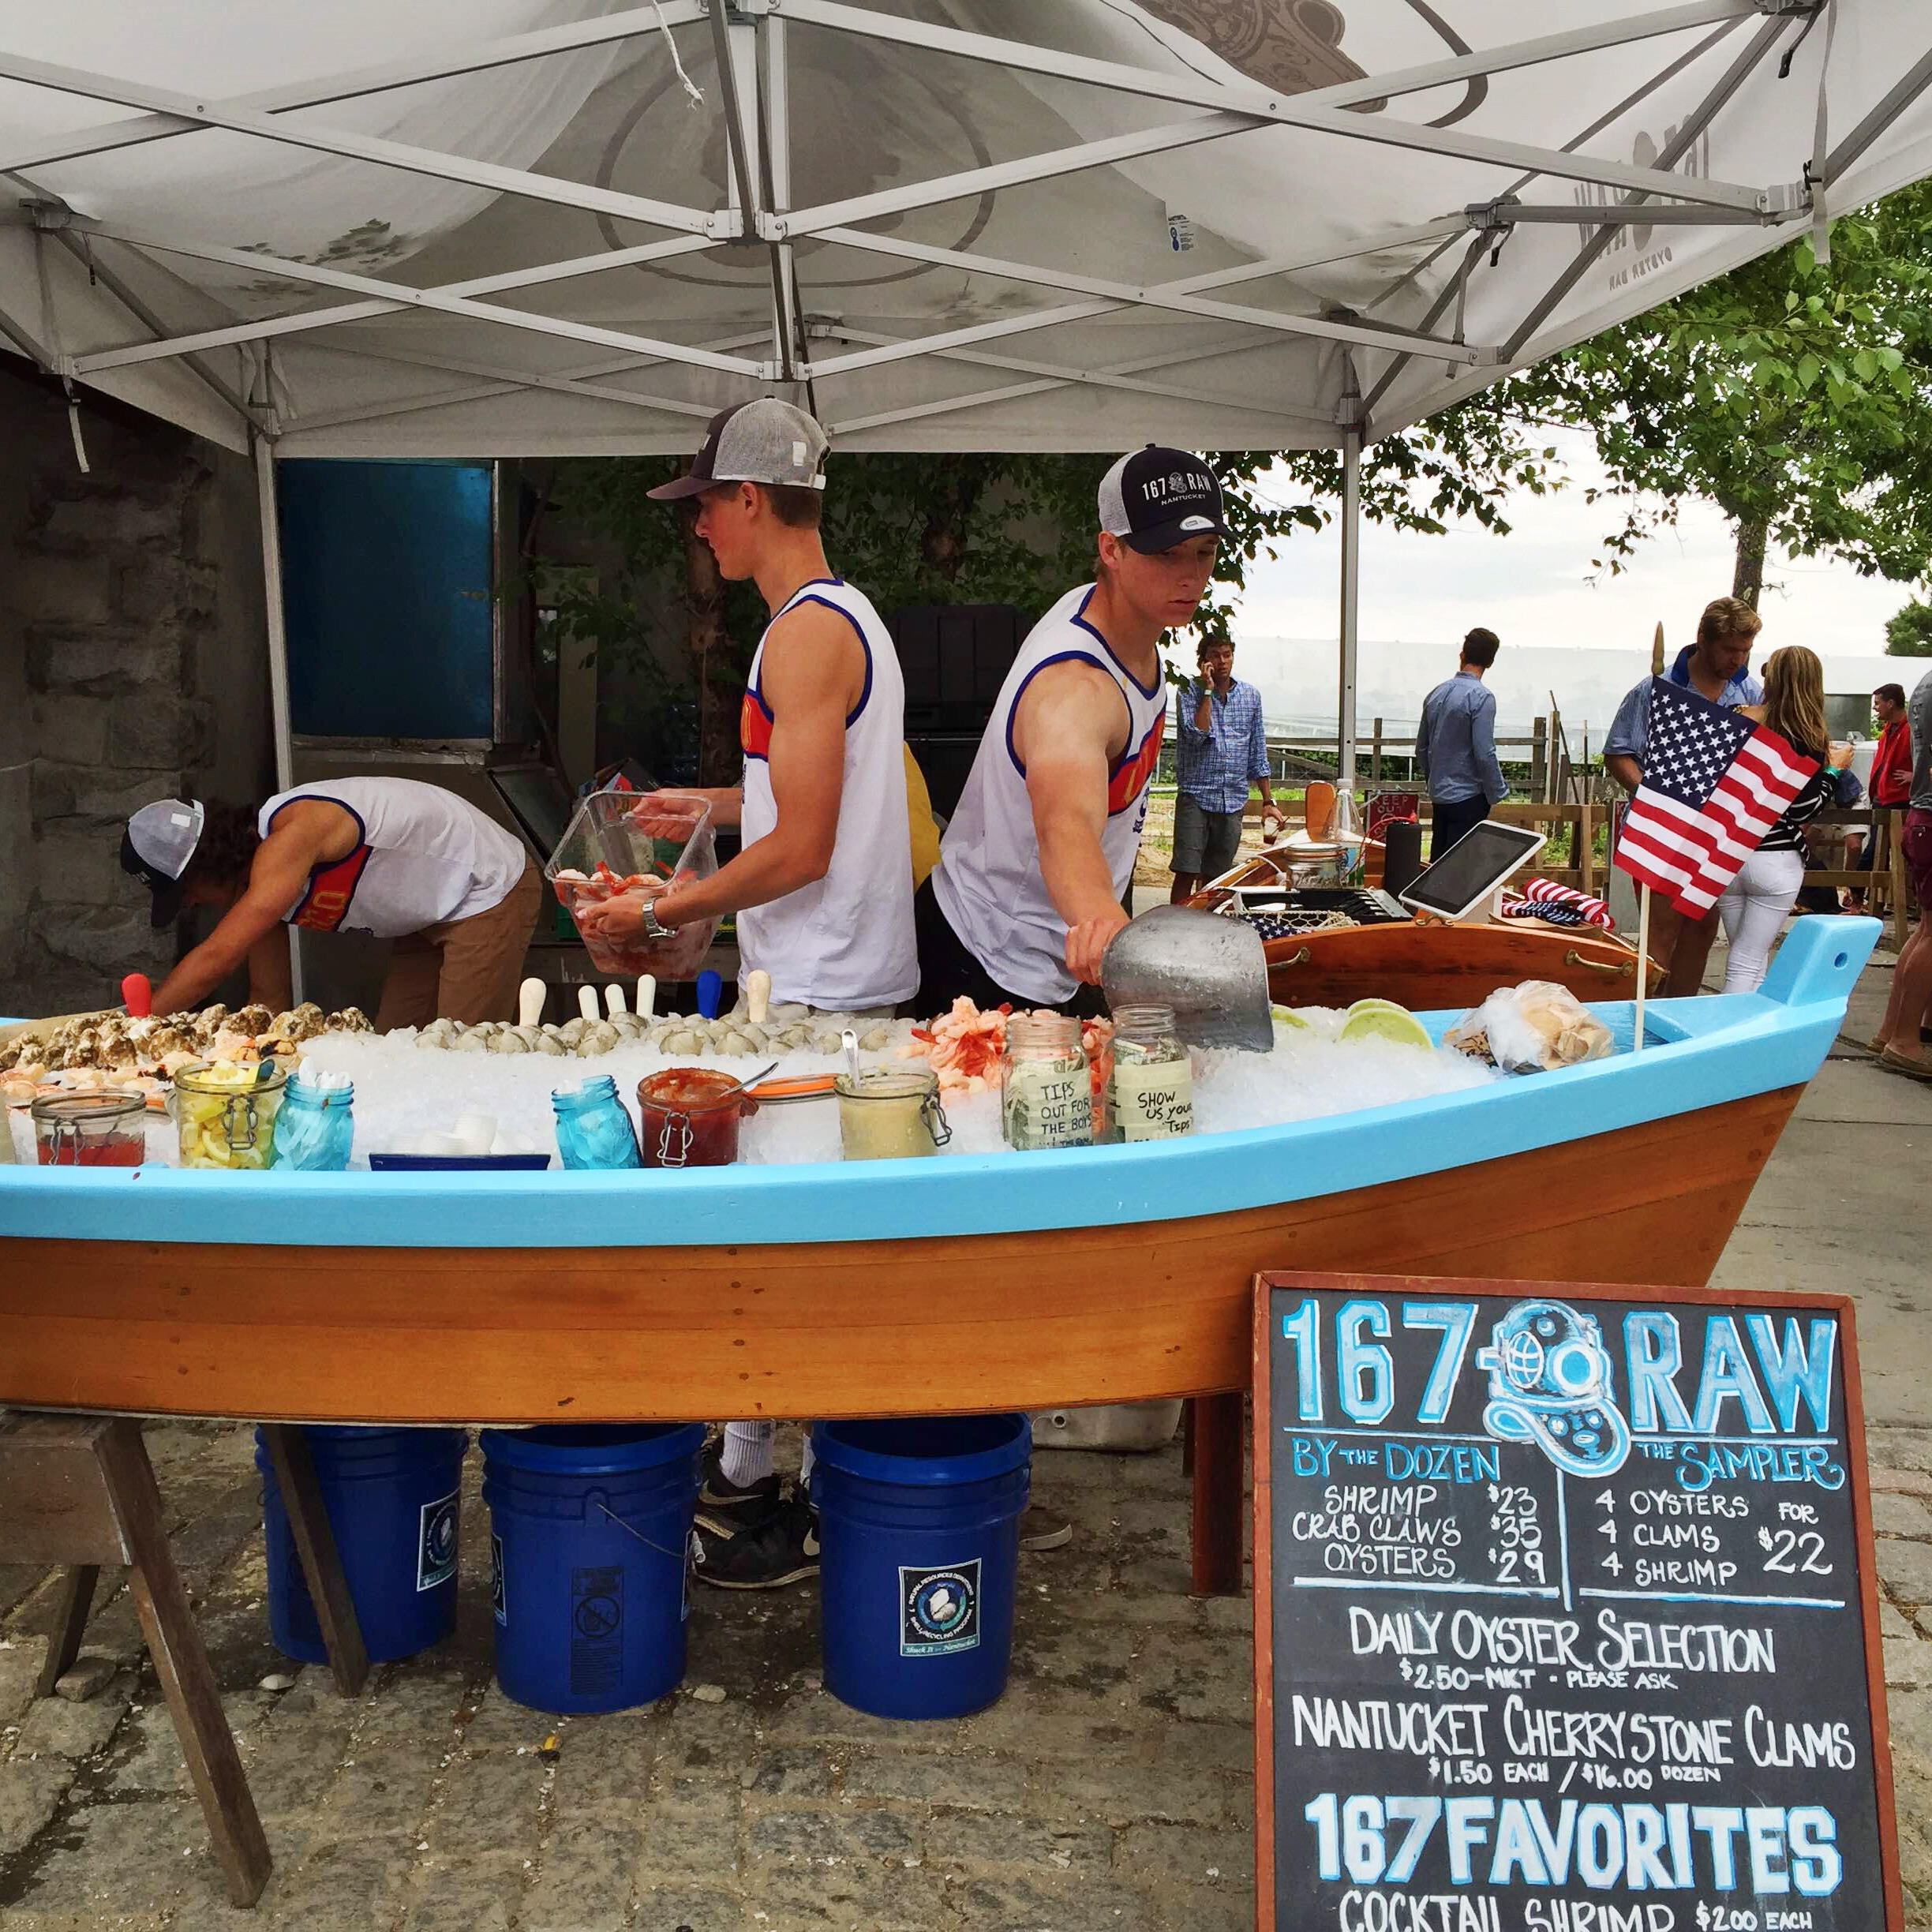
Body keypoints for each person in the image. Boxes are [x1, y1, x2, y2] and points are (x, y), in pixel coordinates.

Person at [578, 398, 923, 1590]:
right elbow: (800, 797)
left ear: (753, 500)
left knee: (793, 1254)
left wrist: (659, 910)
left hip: (823, 990)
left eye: (705, 509)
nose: (699, 536)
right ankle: (744, 1465)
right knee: (780, 1240)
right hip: (825, 976)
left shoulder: (804, 637)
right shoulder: (833, 620)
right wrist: (707, 806)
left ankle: (808, 1507)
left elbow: (812, 844)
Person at [919, 445, 1224, 1014]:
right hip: (983, 958)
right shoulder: (1074, 688)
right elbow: (1065, 823)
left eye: (1205, 553)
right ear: (1110, 548)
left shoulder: (1115, 620)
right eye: (1166, 553)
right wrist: (1100, 917)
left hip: (1044, 953)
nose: (1190, 575)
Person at [120, 779, 541, 1027]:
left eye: (186, 891)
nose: (192, 905)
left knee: (460, 1056)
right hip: (428, 909)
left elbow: (218, 957)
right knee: (399, 1051)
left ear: (207, 866)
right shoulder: (260, 889)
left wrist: (131, 1027)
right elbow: (269, 999)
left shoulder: (291, 837)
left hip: (486, 886)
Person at [1604, 597, 1764, 997]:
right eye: (1730, 649)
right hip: (1661, 830)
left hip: (1715, 831)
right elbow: (1619, 751)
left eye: (1745, 650)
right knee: (1662, 926)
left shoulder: (1750, 690)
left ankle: (1680, 1015)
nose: (1737, 658)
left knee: (1702, 923)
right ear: (1703, 641)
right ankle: (1640, 1016)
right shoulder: (1655, 690)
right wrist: (1652, 799)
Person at [1714, 648, 1847, 991]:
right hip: (1776, 856)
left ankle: (1747, 1037)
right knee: (1747, 961)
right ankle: (1731, 1041)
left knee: (1749, 959)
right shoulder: (1808, 736)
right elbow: (1802, 811)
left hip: (1729, 852)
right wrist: (1834, 770)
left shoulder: (1736, 717)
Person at [1168, 635, 1283, 902]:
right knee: (1186, 870)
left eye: (1227, 654)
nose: (1222, 662)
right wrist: (1207, 691)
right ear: (1203, 660)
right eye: (1215, 655)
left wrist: (1268, 800)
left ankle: (1205, 930)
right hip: (1196, 795)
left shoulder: (1250, 696)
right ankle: (1173, 927)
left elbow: (1257, 749)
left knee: (1217, 877)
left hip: (1232, 800)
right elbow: (1197, 733)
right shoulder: (1188, 691)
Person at [1871, 665, 1932, 1080]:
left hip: (1920, 814)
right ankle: (1904, 1041)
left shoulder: (1924, 683)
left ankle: (1893, 1031)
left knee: (1925, 930)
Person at [1415, 628, 1507, 860]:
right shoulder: (1482, 697)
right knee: (1462, 871)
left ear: (1462, 654)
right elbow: (1485, 753)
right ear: (1491, 662)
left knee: (1438, 865)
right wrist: (1497, 792)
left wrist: (1434, 778)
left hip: (1440, 795)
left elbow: (1422, 749)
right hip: (1468, 798)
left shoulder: (1436, 694)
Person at [1850, 683, 1914, 908]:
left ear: (1891, 703)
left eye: (1878, 703)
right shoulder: (1889, 729)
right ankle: (1870, 899)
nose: (1875, 708)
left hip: (1901, 799)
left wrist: (1915, 775)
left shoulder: (1912, 729)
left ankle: (1858, 896)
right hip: (1883, 797)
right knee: (1881, 850)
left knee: (1886, 850)